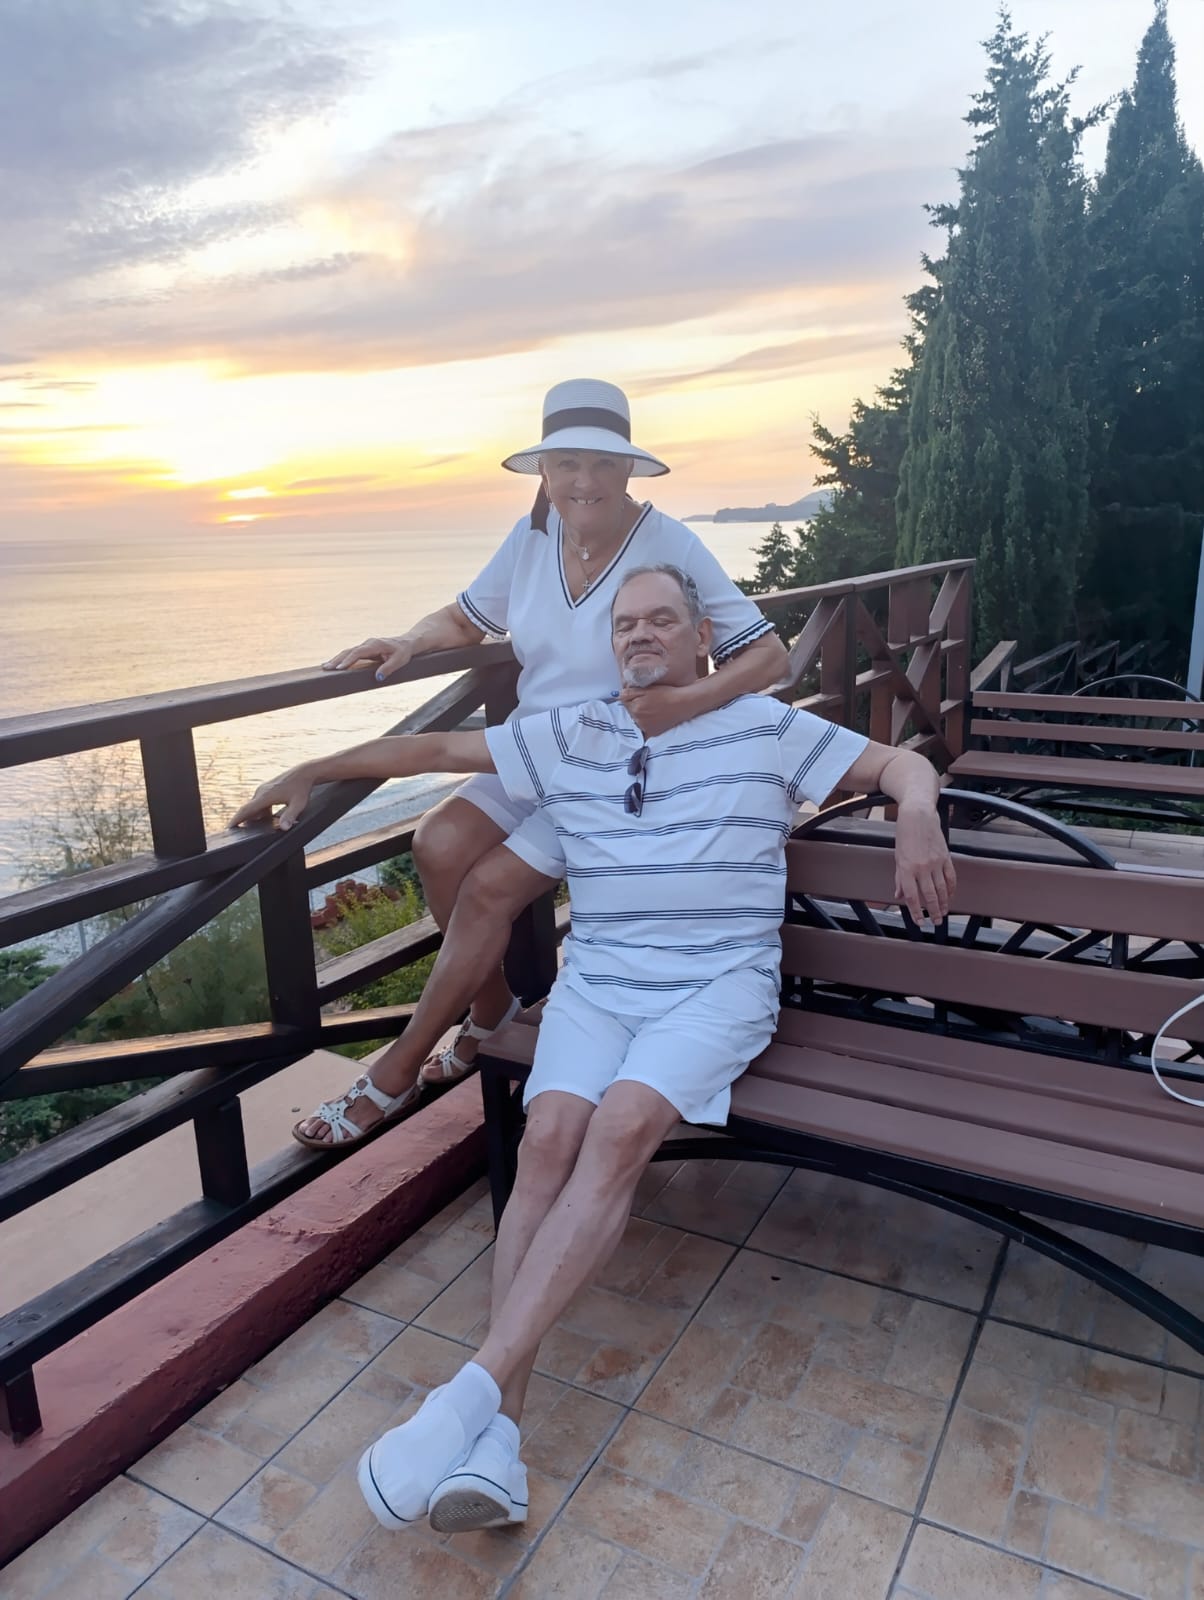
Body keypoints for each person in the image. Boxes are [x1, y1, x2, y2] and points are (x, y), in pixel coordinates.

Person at [233, 563, 956, 1535]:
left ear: (704, 639)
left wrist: (918, 816)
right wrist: (312, 770)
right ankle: (498, 1440)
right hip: (600, 985)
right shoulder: (575, 734)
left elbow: (902, 765)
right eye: (625, 625)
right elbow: (432, 749)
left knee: (617, 1129)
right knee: (543, 1141)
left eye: (662, 620)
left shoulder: (764, 725)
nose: (641, 635)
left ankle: (466, 1394)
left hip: (712, 989)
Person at [294, 378, 788, 1147]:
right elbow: (466, 616)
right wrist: (411, 641)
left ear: (627, 469)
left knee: (489, 888)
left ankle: (397, 1067)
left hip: (616, 765)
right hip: (533, 748)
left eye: (601, 463)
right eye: (567, 464)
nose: (583, 481)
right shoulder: (531, 538)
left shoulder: (670, 544)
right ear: (544, 473)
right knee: (438, 843)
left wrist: (683, 705)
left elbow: (770, 655)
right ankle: (491, 1007)